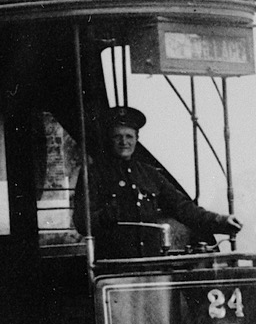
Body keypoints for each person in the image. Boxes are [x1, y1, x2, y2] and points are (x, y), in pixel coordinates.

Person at [73, 106, 243, 258]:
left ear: (136, 139)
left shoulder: (150, 174)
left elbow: (183, 208)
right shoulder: (93, 175)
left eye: (129, 136)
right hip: (115, 266)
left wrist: (220, 220)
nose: (124, 142)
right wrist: (106, 215)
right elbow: (82, 222)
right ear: (109, 139)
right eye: (117, 137)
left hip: (151, 263)